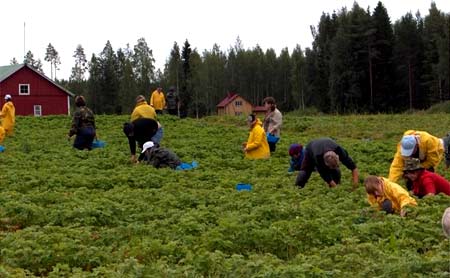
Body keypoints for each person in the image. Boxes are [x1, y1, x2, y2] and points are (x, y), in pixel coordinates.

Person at [125, 95, 163, 163]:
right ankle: (147, 159)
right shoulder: (151, 108)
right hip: (152, 128)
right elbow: (155, 118)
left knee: (149, 146)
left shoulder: (136, 110)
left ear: (137, 102)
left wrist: (136, 158)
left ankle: (153, 160)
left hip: (149, 130)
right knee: (149, 146)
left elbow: (132, 122)